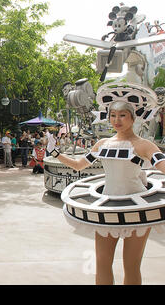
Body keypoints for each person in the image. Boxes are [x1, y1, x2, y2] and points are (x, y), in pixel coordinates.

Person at [48, 83, 165, 285]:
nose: (117, 120)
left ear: (132, 117)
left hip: (136, 210)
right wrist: (57, 154)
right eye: (113, 115)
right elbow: (78, 166)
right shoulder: (102, 144)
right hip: (107, 209)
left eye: (122, 115)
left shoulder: (144, 145)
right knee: (102, 263)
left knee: (131, 265)